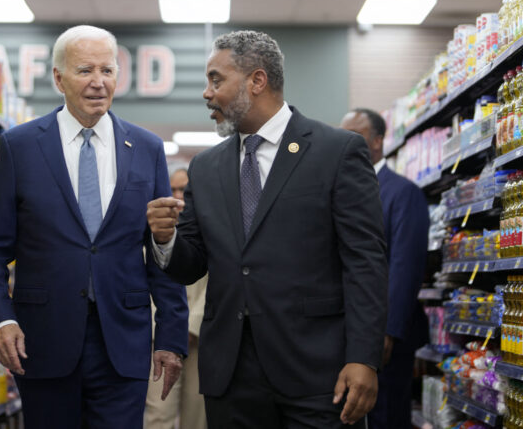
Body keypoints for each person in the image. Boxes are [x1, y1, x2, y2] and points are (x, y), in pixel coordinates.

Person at [146, 30, 388, 428]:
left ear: (257, 81)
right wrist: (165, 238)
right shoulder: (206, 168)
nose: (207, 93)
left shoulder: (336, 152)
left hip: (316, 374)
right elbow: (191, 265)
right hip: (231, 376)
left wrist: (363, 357)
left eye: (216, 79)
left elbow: (366, 263)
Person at [0, 25, 189, 429]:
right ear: (58, 78)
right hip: (42, 340)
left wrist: (172, 337)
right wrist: (0, 320)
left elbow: (162, 251)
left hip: (123, 341)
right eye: (85, 70)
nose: (98, 83)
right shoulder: (19, 146)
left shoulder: (145, 149)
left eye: (107, 71)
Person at [340, 109, 430, 429]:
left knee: (386, 414)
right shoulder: (343, 189)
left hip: (387, 336)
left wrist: (388, 330)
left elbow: (405, 266)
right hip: (350, 330)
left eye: (355, 134)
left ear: (377, 141)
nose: (345, 141)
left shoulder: (403, 193)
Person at [145, 168, 208, 429]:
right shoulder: (148, 231)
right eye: (172, 190)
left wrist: (191, 326)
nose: (177, 196)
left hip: (200, 338)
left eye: (184, 190)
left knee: (197, 413)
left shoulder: (208, 228)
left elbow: (217, 282)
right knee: (158, 413)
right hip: (160, 337)